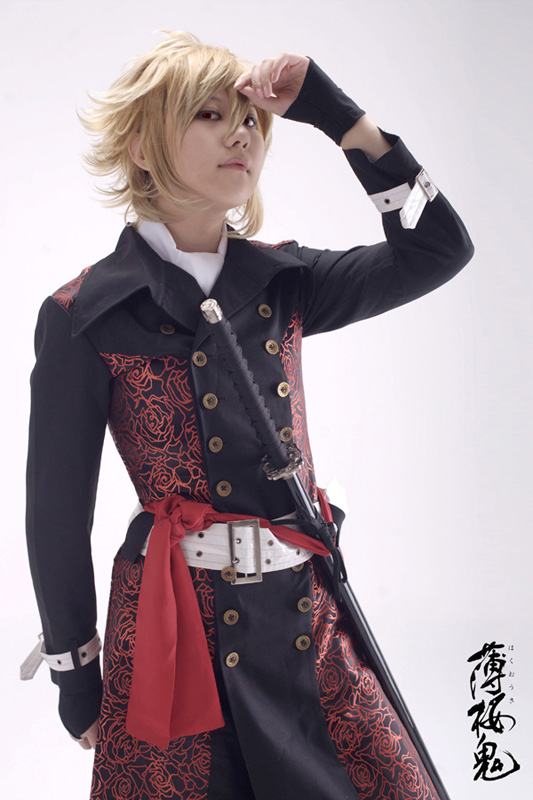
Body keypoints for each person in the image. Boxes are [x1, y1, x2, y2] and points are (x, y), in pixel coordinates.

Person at [24, 31, 474, 800]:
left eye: (251, 122)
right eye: (208, 115)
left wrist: (336, 116)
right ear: (141, 146)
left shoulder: (286, 280)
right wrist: (76, 670)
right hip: (170, 637)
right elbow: (56, 514)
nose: (241, 135)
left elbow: (436, 250)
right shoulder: (83, 313)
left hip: (304, 619)